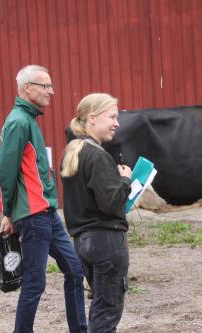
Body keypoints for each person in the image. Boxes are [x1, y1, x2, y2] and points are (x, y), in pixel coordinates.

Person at [0, 65, 87, 332]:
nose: (52, 91)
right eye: (45, 86)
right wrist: (8, 212)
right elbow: (5, 170)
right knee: (35, 283)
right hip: (33, 215)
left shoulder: (29, 120)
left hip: (46, 212)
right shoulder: (18, 122)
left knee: (75, 270)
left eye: (51, 86)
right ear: (27, 88)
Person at [60, 93, 132, 332]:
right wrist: (125, 180)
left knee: (99, 308)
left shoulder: (73, 151)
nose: (117, 123)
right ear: (92, 118)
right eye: (112, 116)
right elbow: (112, 204)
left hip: (83, 242)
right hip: (107, 241)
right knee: (106, 312)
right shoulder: (98, 155)